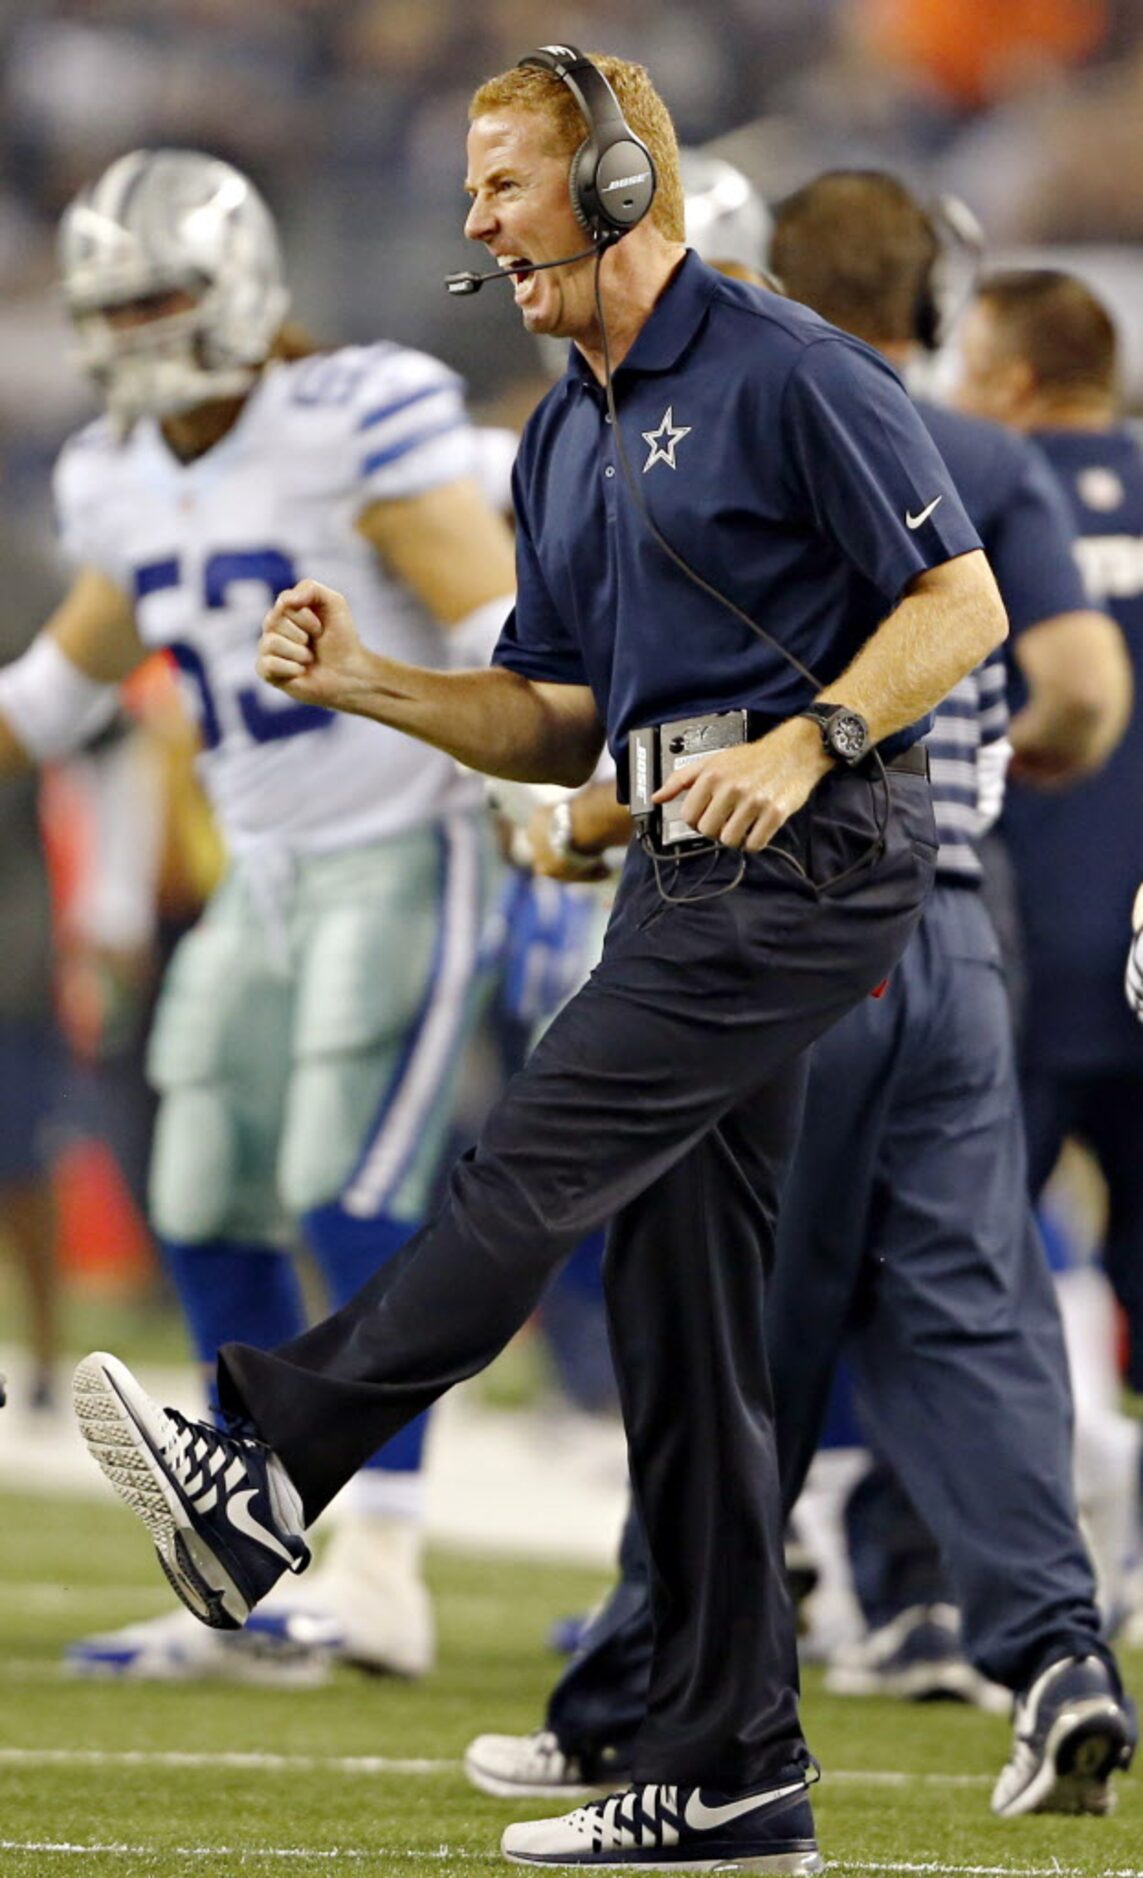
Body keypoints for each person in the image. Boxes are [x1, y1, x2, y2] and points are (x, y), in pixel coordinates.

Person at [73, 50, 1008, 1872]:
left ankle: (272, 1466)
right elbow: (558, 720)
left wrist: (808, 737)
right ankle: (732, 1763)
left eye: (503, 180)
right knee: (683, 1319)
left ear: (605, 180)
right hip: (668, 860)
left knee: (531, 1152)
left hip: (810, 849)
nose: (477, 219)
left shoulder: (788, 364)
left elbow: (955, 600)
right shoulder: (562, 429)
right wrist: (367, 684)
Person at [462, 165, 1138, 1825]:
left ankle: (635, 1687)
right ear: (926, 296)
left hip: (790, 919)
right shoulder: (979, 450)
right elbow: (1071, 694)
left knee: (715, 1328)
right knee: (973, 1312)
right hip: (962, 932)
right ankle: (1054, 1653)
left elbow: (670, 727)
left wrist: (585, 818)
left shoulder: (708, 430)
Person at [0, 146, 516, 1683]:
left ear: (235, 287)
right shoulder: (115, 471)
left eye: (163, 294)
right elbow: (49, 690)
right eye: (118, 305)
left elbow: (500, 618)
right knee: (204, 1186)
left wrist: (556, 782)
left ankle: (384, 1562)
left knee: (343, 1183)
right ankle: (233, 1547)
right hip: (261, 870)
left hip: (409, 838)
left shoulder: (350, 411)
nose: (142, 329)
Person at [953, 270, 1143, 1407]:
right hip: (1133, 944)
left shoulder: (981, 506)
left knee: (948, 1281)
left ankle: (919, 1566)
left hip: (1015, 955)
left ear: (1016, 382)